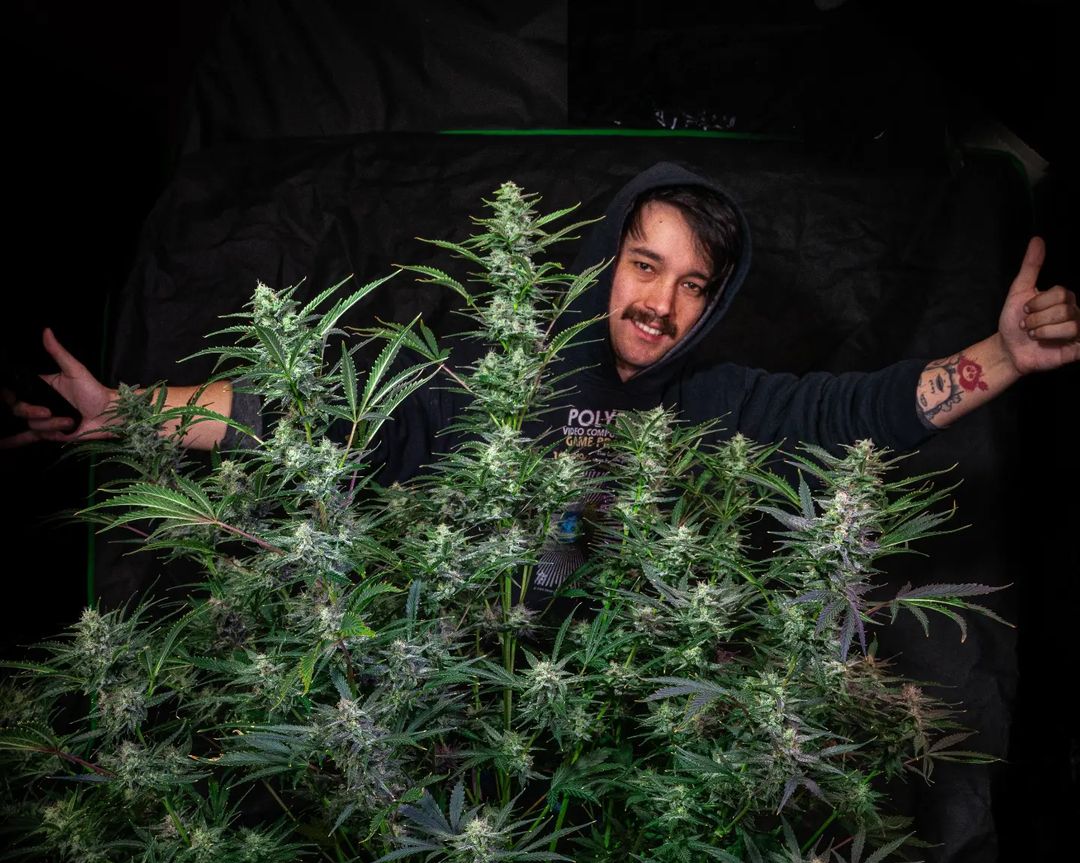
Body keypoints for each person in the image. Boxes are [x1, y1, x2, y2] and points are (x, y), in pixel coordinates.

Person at [6, 161, 1078, 473]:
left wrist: (1003, 355)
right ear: (608, 262)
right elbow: (311, 410)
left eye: (693, 284)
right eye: (646, 266)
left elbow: (861, 410)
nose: (661, 303)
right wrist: (133, 412)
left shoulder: (718, 401)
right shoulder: (496, 371)